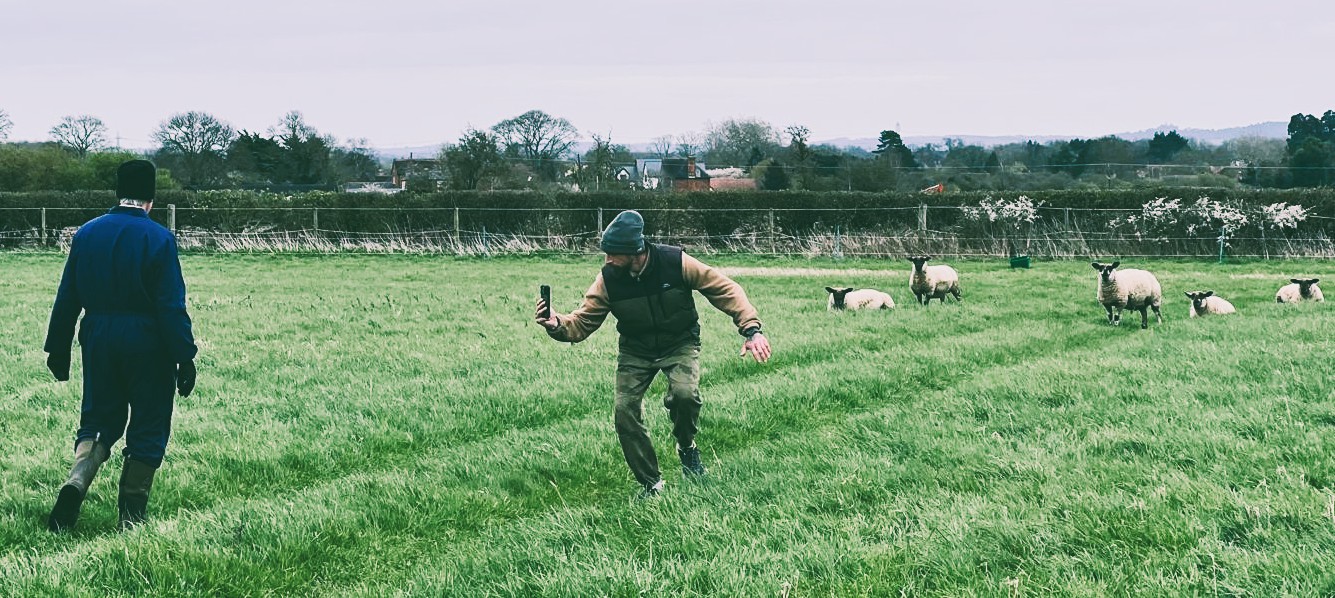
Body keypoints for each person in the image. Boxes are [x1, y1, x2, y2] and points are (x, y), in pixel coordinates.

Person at [534, 210, 771, 498]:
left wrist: (752, 330)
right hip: (636, 349)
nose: (607, 260)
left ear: (635, 251)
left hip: (679, 342)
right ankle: (651, 483)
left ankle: (686, 447)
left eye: (613, 253)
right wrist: (557, 324)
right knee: (624, 412)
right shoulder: (609, 278)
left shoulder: (675, 262)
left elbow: (726, 289)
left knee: (684, 396)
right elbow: (582, 323)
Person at [44, 159, 198, 532]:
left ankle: (77, 480)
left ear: (118, 192)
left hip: (97, 337)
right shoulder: (159, 238)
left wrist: (58, 347)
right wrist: (185, 357)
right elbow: (170, 305)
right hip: (148, 342)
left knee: (98, 418)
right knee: (148, 421)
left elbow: (68, 296)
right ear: (150, 199)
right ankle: (131, 517)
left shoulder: (87, 233)